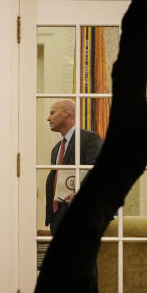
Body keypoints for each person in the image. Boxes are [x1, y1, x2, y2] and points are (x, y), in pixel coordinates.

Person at [45, 99, 103, 235]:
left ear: (66, 113)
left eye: (52, 113)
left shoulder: (89, 139)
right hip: (57, 216)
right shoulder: (56, 149)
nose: (48, 118)